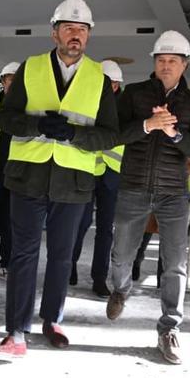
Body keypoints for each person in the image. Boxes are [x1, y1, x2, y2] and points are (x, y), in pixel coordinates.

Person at [0, 0, 118, 356]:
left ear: (89, 36)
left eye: (81, 30)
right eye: (68, 28)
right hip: (28, 175)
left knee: (63, 256)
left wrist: (74, 135)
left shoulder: (99, 77)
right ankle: (16, 331)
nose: (75, 35)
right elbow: (6, 118)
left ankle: (52, 320)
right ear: (54, 33)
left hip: (74, 180)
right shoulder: (31, 68)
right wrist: (36, 125)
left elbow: (110, 134)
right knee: (24, 253)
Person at [105, 31, 190, 365]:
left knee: (175, 264)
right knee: (121, 255)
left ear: (185, 64)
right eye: (161, 60)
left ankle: (169, 328)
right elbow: (114, 134)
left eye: (172, 61)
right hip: (133, 187)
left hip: (173, 194)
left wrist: (176, 134)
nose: (166, 66)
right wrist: (148, 125)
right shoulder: (134, 94)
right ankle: (121, 289)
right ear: (154, 62)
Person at [69, 59, 124, 298]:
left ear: (118, 85)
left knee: (105, 229)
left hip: (112, 175)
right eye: (105, 82)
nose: (108, 87)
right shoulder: (87, 100)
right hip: (88, 171)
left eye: (112, 83)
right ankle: (68, 267)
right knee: (78, 224)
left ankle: (99, 278)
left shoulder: (125, 109)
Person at [0, 61, 19, 276]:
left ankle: (6, 263)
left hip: (15, 174)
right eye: (11, 80)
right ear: (3, 81)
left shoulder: (26, 108)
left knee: (9, 223)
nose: (14, 84)